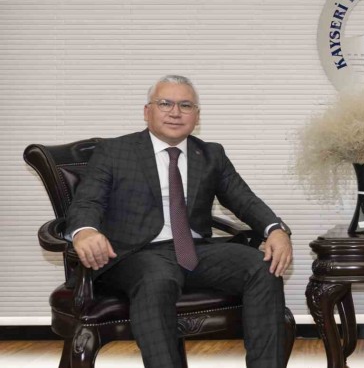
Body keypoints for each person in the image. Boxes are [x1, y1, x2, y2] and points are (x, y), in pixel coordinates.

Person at [67, 75, 293, 368]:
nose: (175, 112)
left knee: (262, 267)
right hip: (137, 254)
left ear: (196, 116)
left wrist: (275, 229)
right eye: (165, 104)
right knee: (158, 279)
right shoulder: (115, 151)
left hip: (195, 251)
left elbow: (243, 199)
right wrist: (85, 231)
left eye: (186, 105)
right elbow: (88, 201)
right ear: (147, 111)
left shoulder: (211, 154)